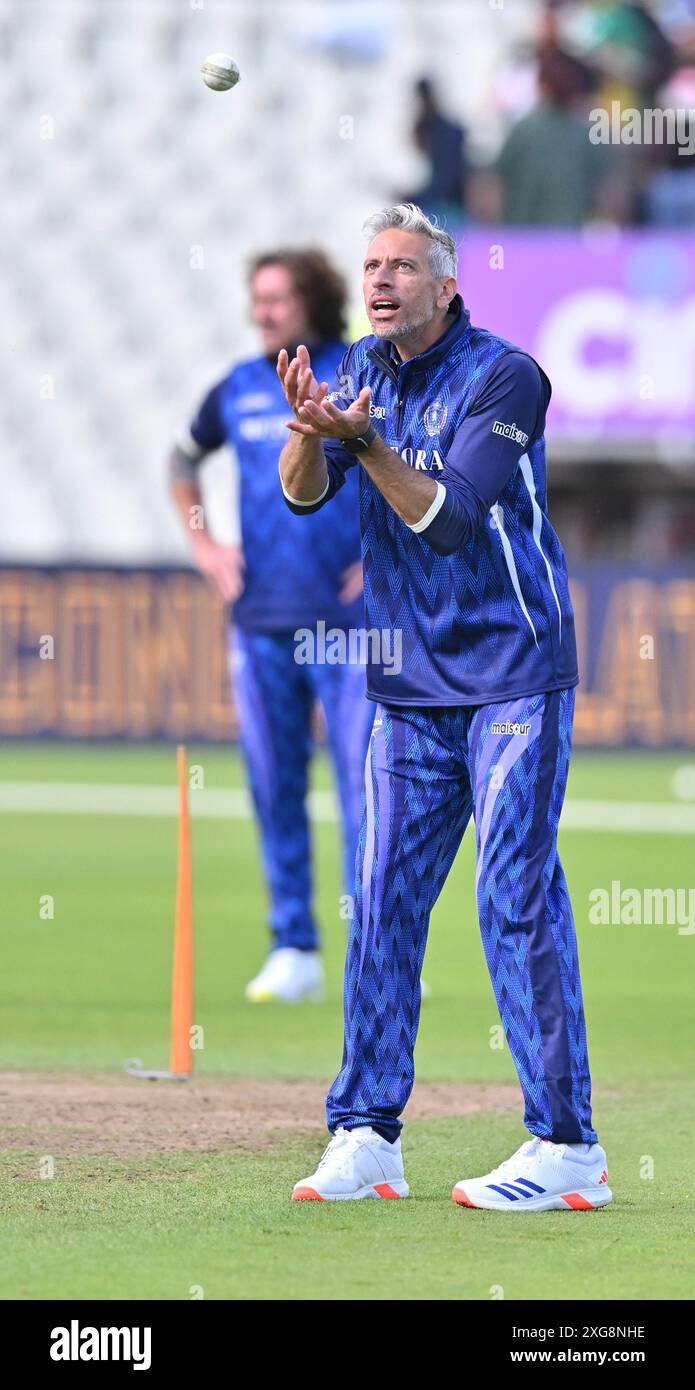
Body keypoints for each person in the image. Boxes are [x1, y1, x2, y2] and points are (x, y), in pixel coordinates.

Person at [276, 203, 611, 1211]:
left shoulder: (505, 375)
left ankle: (565, 1148)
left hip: (512, 675)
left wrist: (362, 444)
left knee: (510, 897)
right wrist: (311, 429)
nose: (378, 281)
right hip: (408, 692)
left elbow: (450, 521)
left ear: (446, 287)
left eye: (401, 268)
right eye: (370, 266)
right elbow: (301, 497)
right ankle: (366, 1133)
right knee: (378, 903)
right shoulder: (361, 377)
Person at [170, 249, 374, 1003]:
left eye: (277, 299)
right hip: (261, 623)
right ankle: (294, 948)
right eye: (256, 299)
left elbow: (416, 461)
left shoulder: (360, 370)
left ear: (313, 302)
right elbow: (180, 458)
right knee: (273, 786)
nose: (262, 312)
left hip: (355, 628)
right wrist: (204, 541)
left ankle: (372, 953)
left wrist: (391, 560)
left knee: (366, 794)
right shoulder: (237, 387)